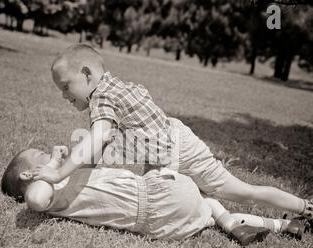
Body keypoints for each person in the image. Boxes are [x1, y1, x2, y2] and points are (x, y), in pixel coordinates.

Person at [31, 44, 312, 228]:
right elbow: (103, 146)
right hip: (165, 155)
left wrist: (58, 176)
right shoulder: (113, 89)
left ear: (87, 74)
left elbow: (98, 138)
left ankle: (305, 208)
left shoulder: (102, 96)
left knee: (241, 191)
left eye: (66, 87)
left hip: (180, 151)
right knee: (205, 202)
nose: (64, 96)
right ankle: (278, 225)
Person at [1, 146, 307, 245]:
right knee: (205, 197)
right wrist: (54, 165)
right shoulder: (47, 192)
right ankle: (232, 220)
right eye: (41, 154)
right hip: (157, 195)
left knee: (209, 206)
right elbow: (36, 201)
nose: (49, 154)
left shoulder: (62, 184)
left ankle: (278, 226)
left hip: (161, 225)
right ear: (29, 175)